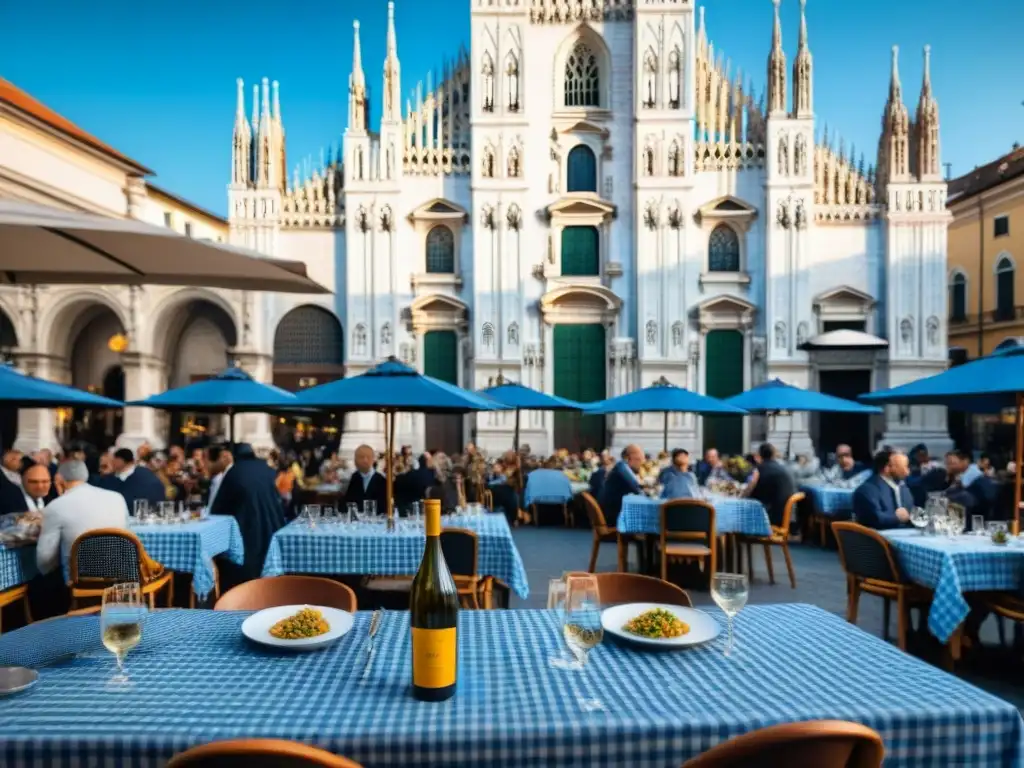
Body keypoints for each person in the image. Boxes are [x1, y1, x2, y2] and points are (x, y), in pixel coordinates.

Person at [207, 443, 287, 589]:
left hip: (245, 529)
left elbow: (218, 509)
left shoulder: (234, 472)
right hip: (272, 525)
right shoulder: (267, 470)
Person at [35, 460, 130, 576]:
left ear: (59, 479)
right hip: (121, 578)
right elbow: (128, 535)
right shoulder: (117, 498)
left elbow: (45, 561)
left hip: (80, 583)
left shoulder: (55, 507)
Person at [852, 449, 914, 530]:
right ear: (887, 468)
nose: (907, 473)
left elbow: (911, 513)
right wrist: (897, 518)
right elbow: (875, 519)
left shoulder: (904, 488)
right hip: (878, 539)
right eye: (904, 467)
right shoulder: (866, 490)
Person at [746, 443, 796, 529]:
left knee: (739, 510)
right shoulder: (782, 468)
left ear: (759, 455)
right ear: (773, 455)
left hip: (771, 518)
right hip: (787, 517)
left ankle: (732, 540)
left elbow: (753, 494)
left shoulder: (760, 470)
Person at [100, 448, 165, 512]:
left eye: (112, 460)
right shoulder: (146, 474)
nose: (111, 463)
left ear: (119, 461)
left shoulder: (144, 479)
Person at [597, 444, 644, 527]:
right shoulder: (622, 468)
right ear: (630, 458)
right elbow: (636, 489)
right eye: (639, 459)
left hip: (612, 511)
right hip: (614, 517)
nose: (641, 463)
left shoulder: (621, 466)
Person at [342, 444, 388, 513]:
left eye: (368, 457)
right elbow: (347, 504)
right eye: (361, 457)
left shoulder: (382, 480)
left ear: (373, 459)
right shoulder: (353, 478)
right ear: (355, 460)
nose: (365, 460)